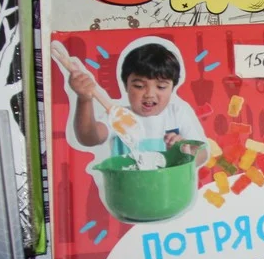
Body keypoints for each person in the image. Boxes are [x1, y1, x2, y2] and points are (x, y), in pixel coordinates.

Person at [68, 39, 207, 165]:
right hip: (126, 185)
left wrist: (185, 151)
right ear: (126, 86)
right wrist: (84, 99)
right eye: (139, 86)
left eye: (161, 87)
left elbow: (202, 154)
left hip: (171, 185)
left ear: (172, 88)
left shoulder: (176, 114)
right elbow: (88, 138)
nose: (149, 94)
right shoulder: (118, 116)